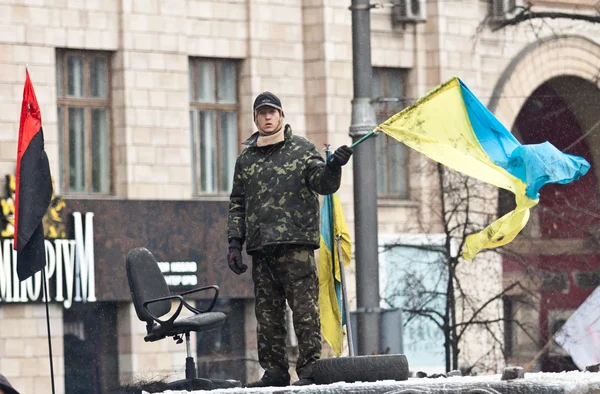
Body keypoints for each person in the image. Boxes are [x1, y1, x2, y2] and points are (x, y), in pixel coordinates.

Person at [227, 92, 353, 387]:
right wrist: (235, 242)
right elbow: (237, 202)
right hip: (261, 247)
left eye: (272, 112)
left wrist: (334, 166)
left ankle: (309, 370)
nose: (267, 117)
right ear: (255, 118)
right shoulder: (246, 159)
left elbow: (323, 184)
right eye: (262, 113)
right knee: (267, 315)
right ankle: (274, 371)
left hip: (296, 244)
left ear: (281, 115)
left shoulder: (301, 149)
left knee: (305, 310)